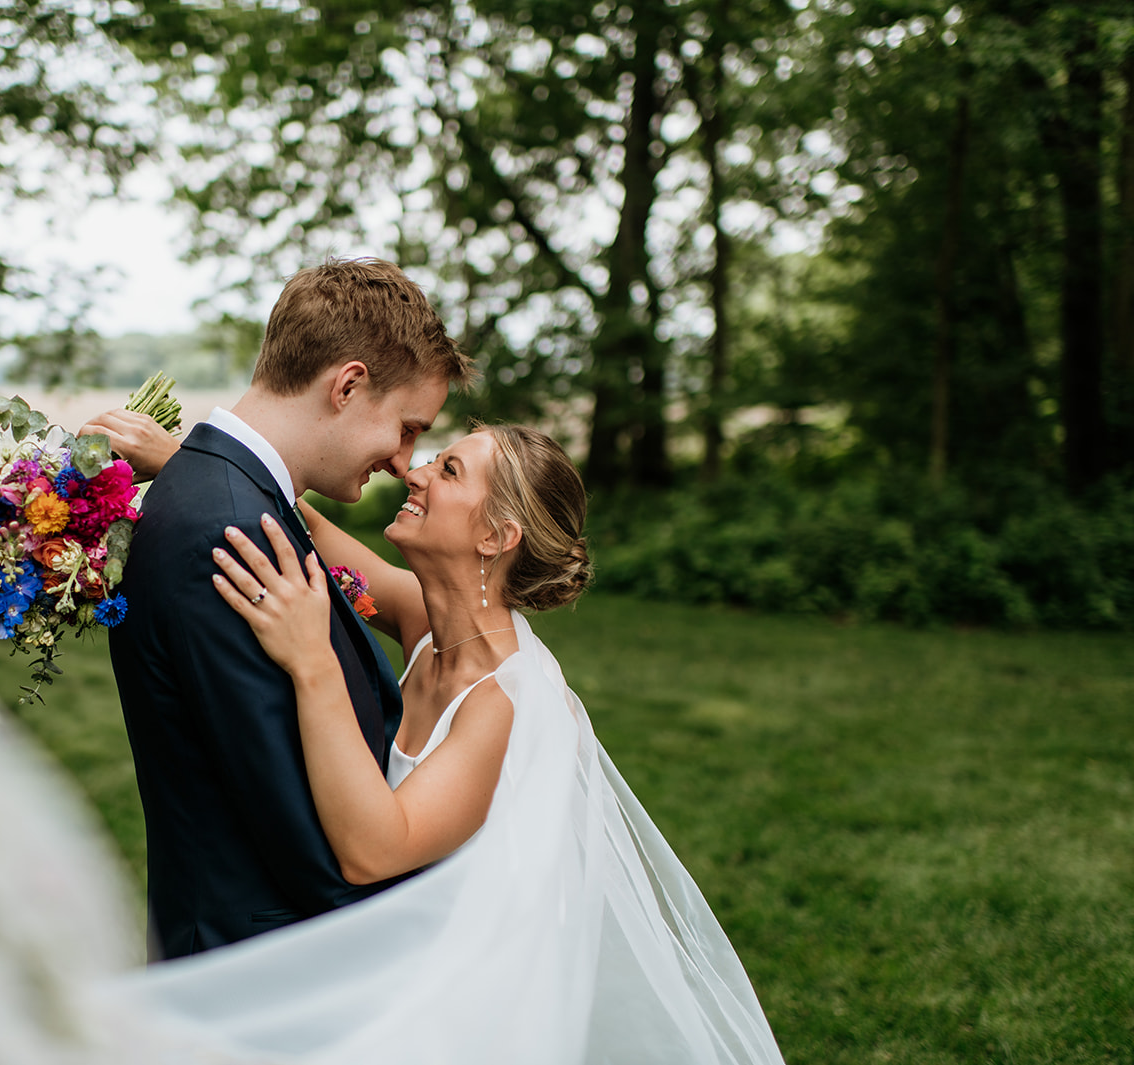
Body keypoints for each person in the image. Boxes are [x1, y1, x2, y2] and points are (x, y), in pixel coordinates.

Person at [93, 421, 788, 1064]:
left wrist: (314, 662)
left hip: (443, 1000)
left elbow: (376, 849)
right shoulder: (427, 618)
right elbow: (300, 527)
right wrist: (200, 460)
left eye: (449, 469)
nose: (416, 472)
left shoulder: (505, 705)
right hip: (387, 956)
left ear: (496, 535)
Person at [79, 257, 477, 960]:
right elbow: (314, 853)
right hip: (266, 977)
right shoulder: (228, 536)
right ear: (348, 385)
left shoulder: (239, 503)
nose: (403, 460)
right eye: (409, 427)